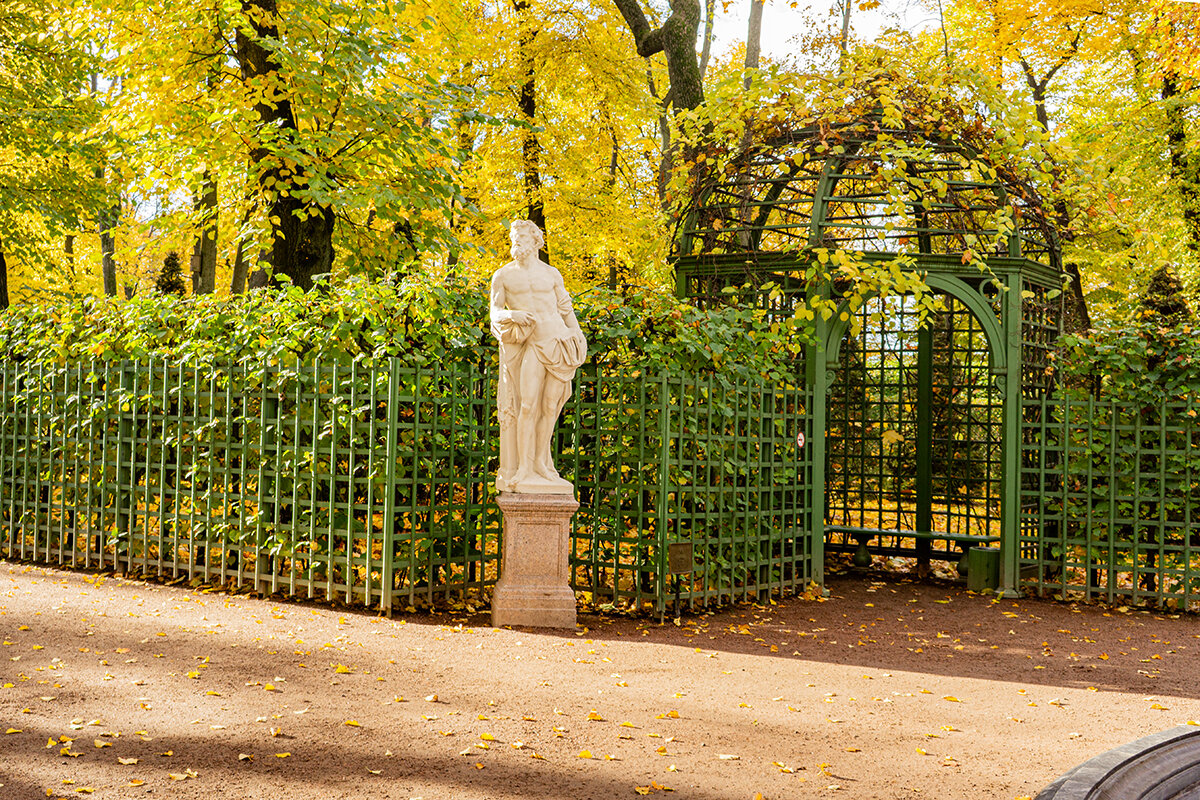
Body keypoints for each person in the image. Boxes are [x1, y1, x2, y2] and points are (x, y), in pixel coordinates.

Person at [490, 221, 587, 493]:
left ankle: (542, 464)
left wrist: (578, 335)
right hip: (532, 345)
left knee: (550, 408)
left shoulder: (551, 274)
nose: (516, 242)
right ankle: (523, 467)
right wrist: (513, 315)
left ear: (536, 241)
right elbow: (494, 315)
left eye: (521, 237)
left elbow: (566, 310)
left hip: (558, 341)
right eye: (514, 238)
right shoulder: (503, 276)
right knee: (527, 406)